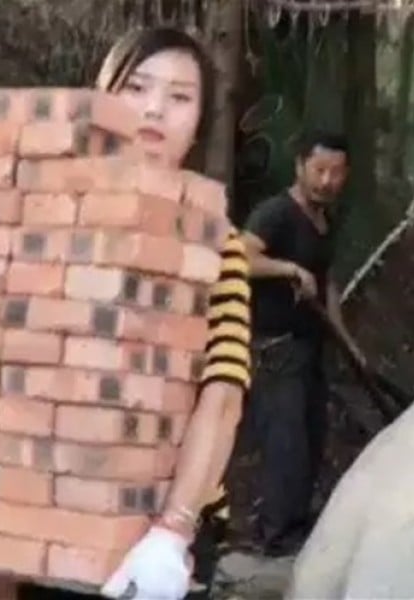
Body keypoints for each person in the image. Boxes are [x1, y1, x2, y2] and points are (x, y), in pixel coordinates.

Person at [95, 28, 251, 600]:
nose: (155, 108)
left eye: (180, 97)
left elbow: (223, 390)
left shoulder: (218, 244)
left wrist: (174, 529)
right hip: (55, 507)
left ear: (200, 122)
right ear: (102, 97)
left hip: (162, 519)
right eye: (137, 88)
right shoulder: (49, 218)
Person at [241, 131, 365, 558]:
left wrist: (347, 343)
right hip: (275, 348)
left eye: (336, 173)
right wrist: (288, 269)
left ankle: (294, 529)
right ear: (300, 167)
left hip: (310, 348)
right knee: (285, 443)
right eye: (319, 170)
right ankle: (274, 536)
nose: (327, 181)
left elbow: (328, 288)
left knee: (311, 439)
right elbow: (240, 257)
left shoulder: (325, 221)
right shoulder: (276, 213)